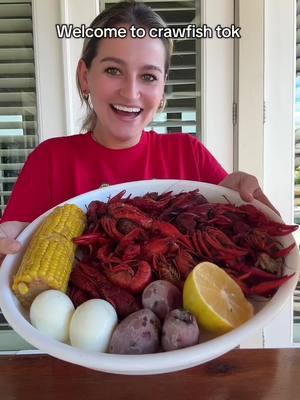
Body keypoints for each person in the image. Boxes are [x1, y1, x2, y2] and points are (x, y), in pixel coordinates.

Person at [0, 1, 276, 261]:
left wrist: (243, 214)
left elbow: (250, 253)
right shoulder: (50, 160)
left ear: (162, 86)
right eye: (113, 70)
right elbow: (10, 263)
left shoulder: (188, 154)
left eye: (148, 76)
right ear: (85, 76)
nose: (130, 93)